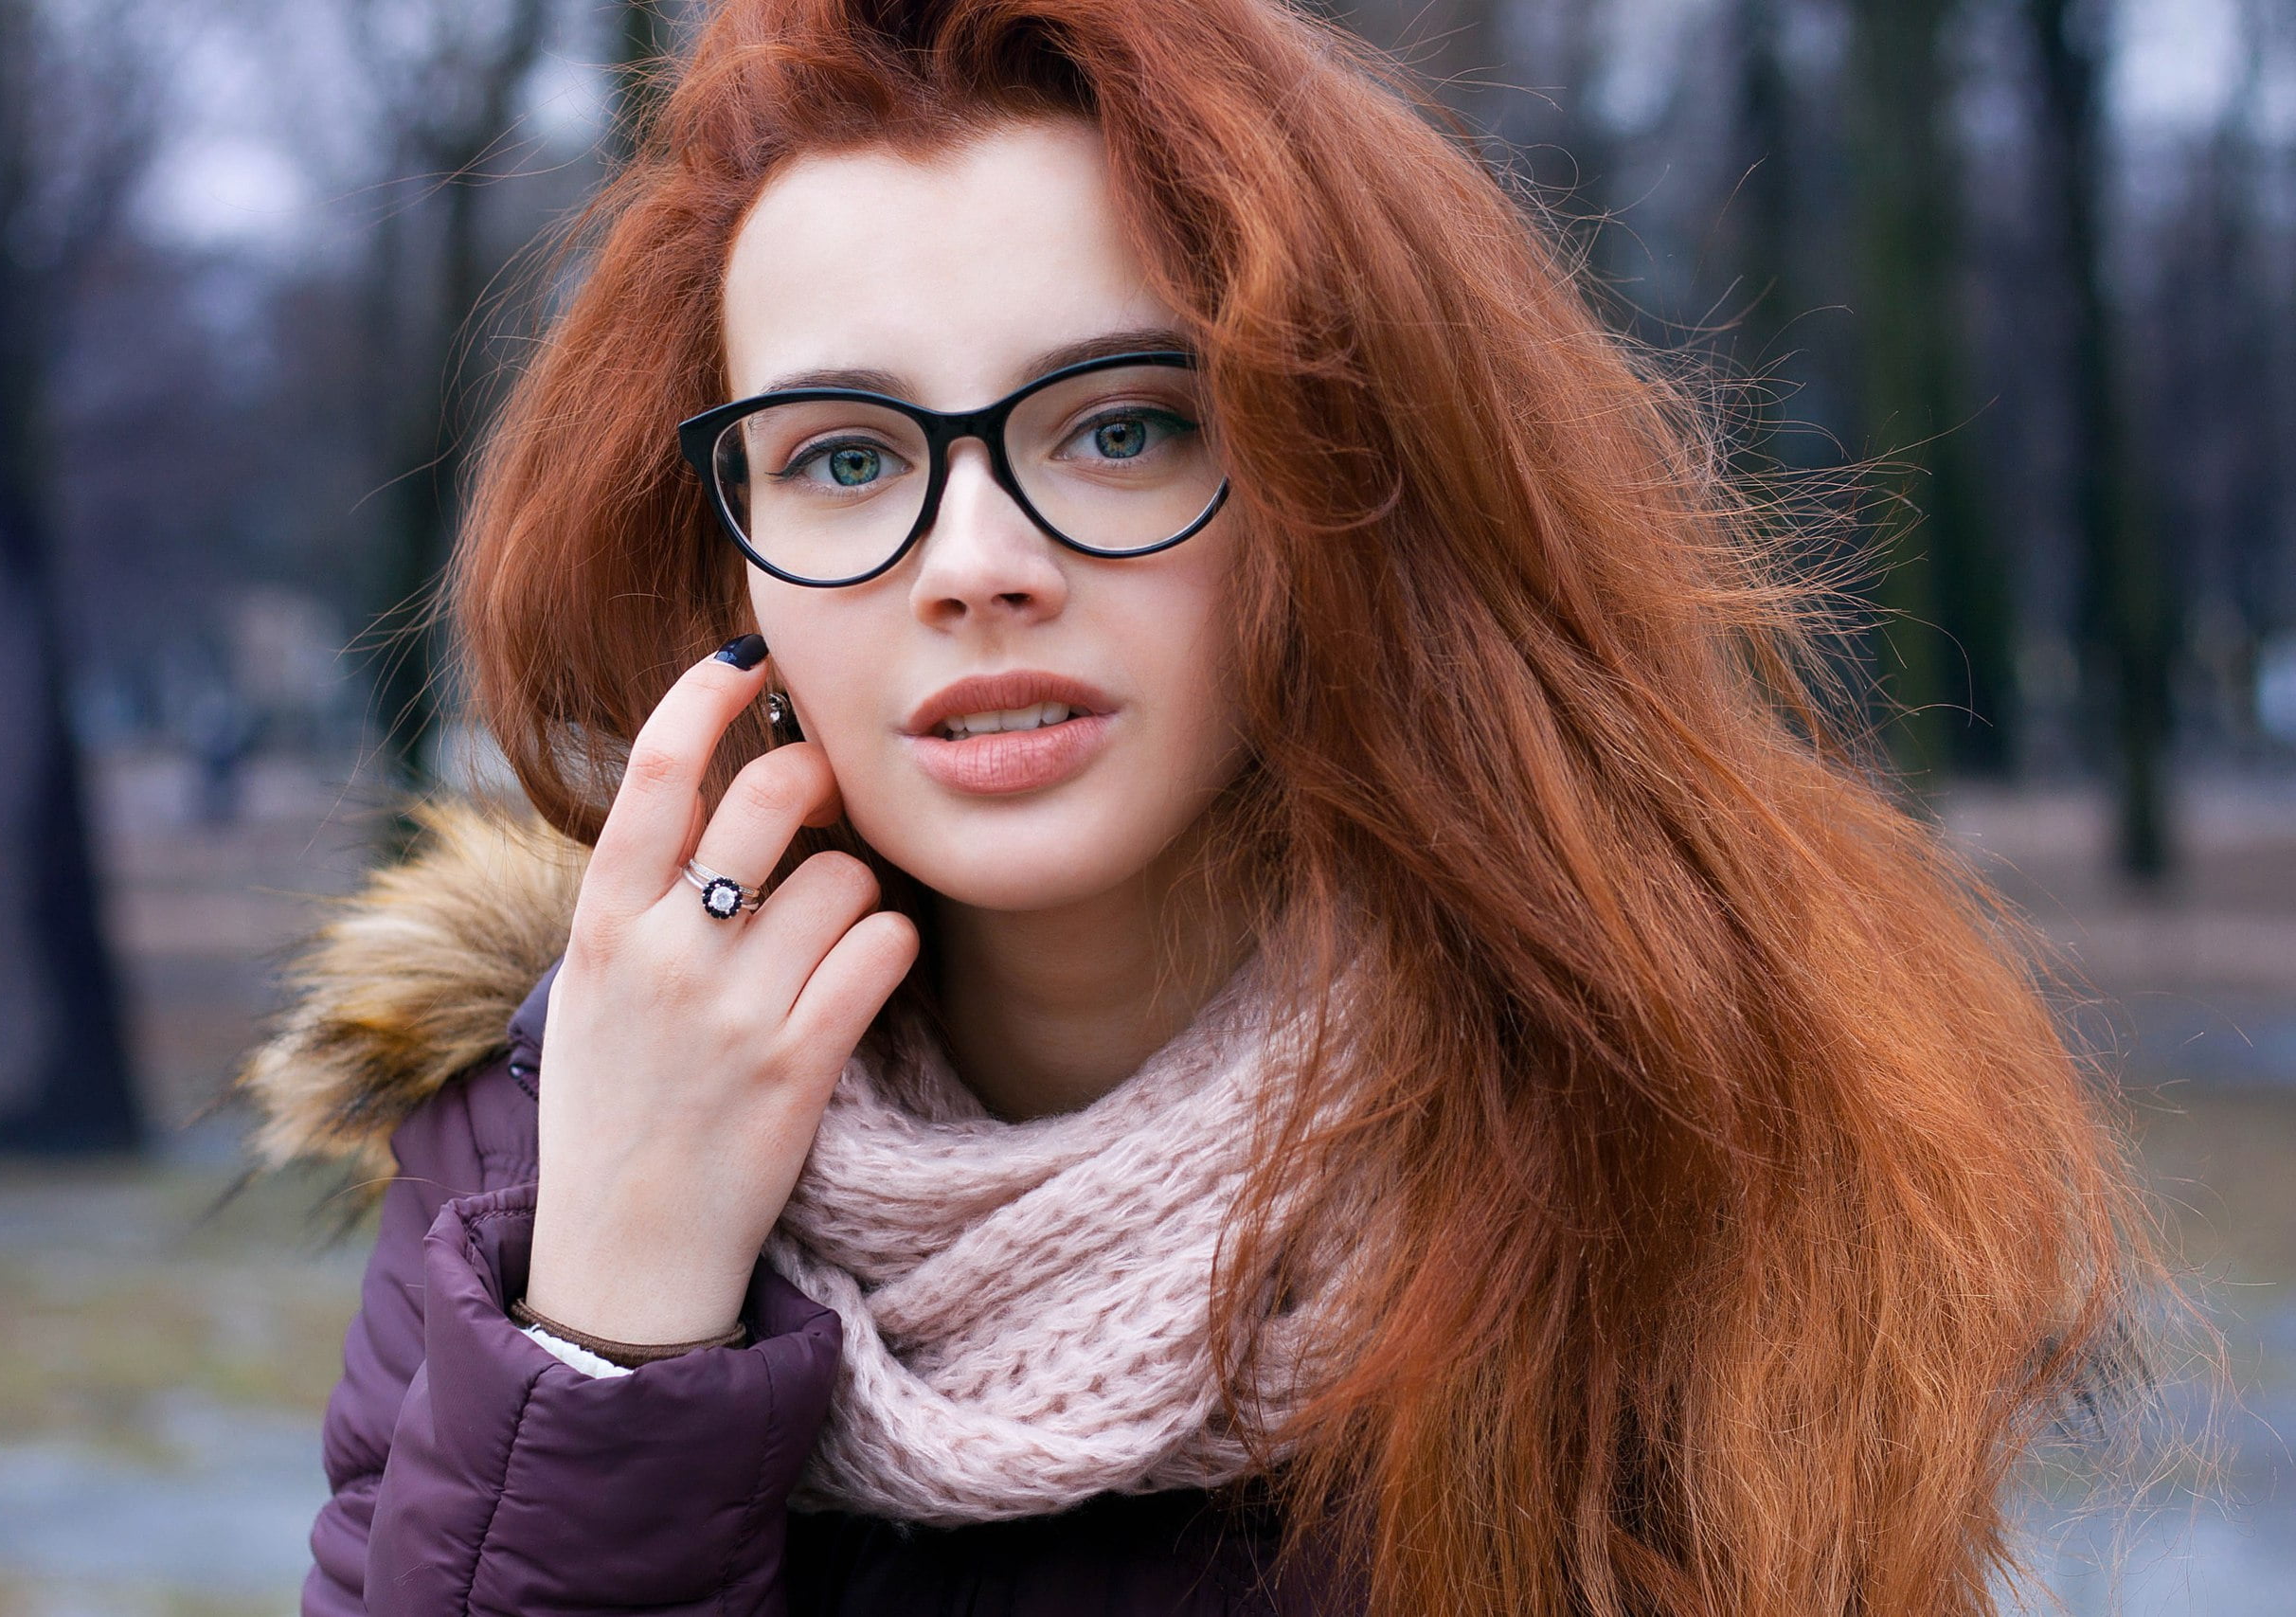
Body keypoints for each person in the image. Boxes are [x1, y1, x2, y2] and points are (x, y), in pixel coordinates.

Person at [241, 0, 2162, 1611]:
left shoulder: (1650, 1114)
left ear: (1345, 480)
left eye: (1123, 422)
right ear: (726, 561)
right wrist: (612, 1331)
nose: (973, 559)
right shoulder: (532, 1149)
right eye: (838, 455)